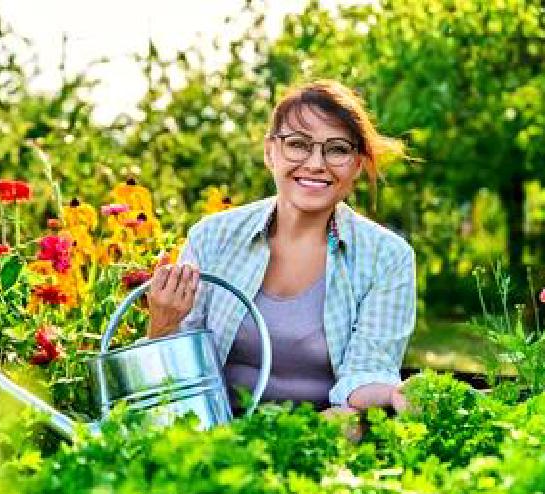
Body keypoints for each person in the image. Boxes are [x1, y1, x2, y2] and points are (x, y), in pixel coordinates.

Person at [145, 80, 416, 421]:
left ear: (357, 165)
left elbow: (366, 372)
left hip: (323, 431)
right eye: (298, 144)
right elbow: (171, 381)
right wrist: (162, 324)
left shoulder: (386, 257)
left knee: (346, 423)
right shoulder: (213, 237)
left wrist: (394, 393)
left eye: (337, 149)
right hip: (217, 432)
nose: (317, 164)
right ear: (269, 152)